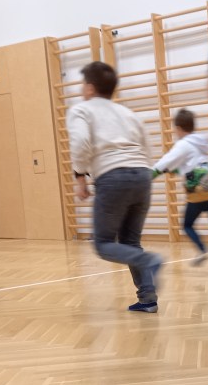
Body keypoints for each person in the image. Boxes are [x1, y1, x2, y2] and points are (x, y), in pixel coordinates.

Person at [68, 61, 163, 313]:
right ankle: (147, 298)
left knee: (103, 244)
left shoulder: (81, 110)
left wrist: (80, 177)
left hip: (112, 176)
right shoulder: (127, 113)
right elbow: (147, 146)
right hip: (142, 175)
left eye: (83, 83)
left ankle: (149, 261)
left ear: (90, 87)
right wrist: (140, 175)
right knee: (131, 241)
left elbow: (80, 143)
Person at [153, 108, 208, 275]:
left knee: (187, 225)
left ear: (178, 128)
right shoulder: (200, 143)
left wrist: (150, 174)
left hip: (199, 193)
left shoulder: (183, 144)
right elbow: (190, 165)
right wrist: (174, 170)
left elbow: (166, 162)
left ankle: (202, 249)